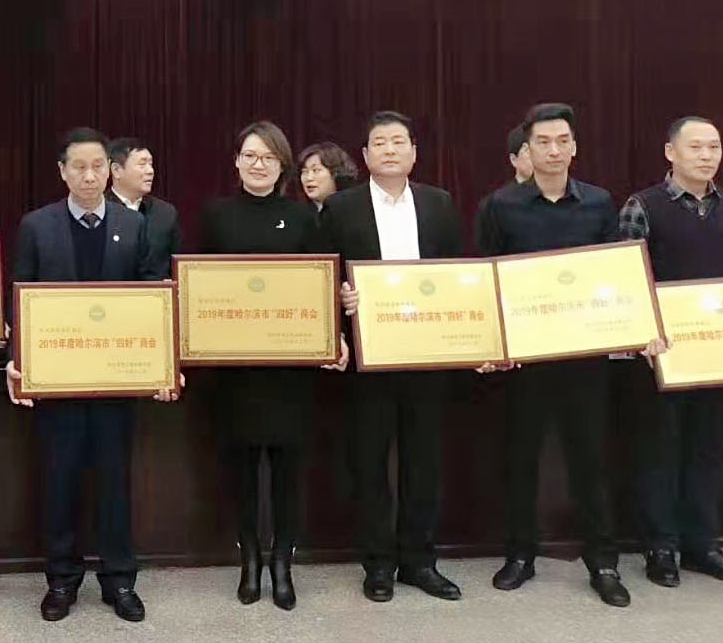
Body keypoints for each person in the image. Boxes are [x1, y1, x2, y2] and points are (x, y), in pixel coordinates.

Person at [475, 102, 656, 608]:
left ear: (574, 147)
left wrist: (629, 326)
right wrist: (494, 344)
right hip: (524, 362)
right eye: (542, 142)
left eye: (561, 141)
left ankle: (602, 562)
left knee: (590, 460)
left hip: (584, 359)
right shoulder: (500, 205)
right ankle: (520, 555)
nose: (553, 150)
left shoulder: (599, 203)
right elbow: (485, 277)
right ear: (527, 150)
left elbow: (614, 274)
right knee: (520, 459)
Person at [4, 127, 170, 624]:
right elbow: (20, 297)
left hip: (116, 380)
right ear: (62, 172)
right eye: (79, 167)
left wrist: (160, 365)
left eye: (98, 166)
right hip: (58, 381)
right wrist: (17, 360)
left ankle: (120, 580)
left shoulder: (134, 225)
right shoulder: (37, 226)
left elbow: (152, 299)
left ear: (110, 171)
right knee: (60, 482)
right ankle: (61, 579)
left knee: (115, 483)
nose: (90, 176)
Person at [200, 121, 349, 611]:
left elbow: (322, 285)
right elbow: (196, 287)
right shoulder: (216, 216)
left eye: (268, 156)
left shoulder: (304, 218)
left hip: (290, 367)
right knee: (242, 469)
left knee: (288, 470)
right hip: (235, 368)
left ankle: (283, 560)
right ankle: (249, 559)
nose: (258, 164)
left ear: (282, 165)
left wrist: (333, 334)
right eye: (249, 155)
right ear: (236, 162)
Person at [321, 111, 464, 604]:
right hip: (368, 357)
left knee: (424, 462)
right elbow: (323, 276)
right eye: (379, 142)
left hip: (426, 354)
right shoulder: (340, 209)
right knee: (370, 464)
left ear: (414, 153)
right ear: (365, 156)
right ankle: (378, 564)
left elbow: (457, 276)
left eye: (398, 141)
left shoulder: (439, 203)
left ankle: (420, 561)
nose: (389, 149)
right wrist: (339, 299)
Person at [620, 117, 723, 588]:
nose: (707, 155)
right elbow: (629, 279)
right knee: (661, 449)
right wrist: (645, 333)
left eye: (714, 147)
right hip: (664, 354)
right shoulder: (642, 206)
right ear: (670, 152)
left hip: (718, 352)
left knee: (708, 448)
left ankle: (703, 545)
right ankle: (661, 546)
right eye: (696, 147)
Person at [106, 137, 180, 278]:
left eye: (151, 164)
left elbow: (176, 266)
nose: (150, 171)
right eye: (142, 164)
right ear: (116, 170)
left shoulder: (165, 213)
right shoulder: (98, 211)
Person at [297, 141, 360, 212]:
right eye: (304, 172)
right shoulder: (299, 214)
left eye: (316, 170)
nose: (309, 178)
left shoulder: (356, 210)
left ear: (336, 173)